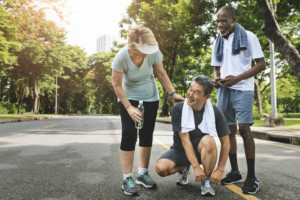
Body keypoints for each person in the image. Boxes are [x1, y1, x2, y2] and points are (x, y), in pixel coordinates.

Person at [111, 25, 184, 196]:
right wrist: (129, 107)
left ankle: (142, 173)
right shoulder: (121, 57)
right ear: (133, 46)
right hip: (128, 96)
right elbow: (116, 84)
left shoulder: (153, 53)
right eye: (144, 49)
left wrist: (172, 93)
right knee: (129, 134)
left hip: (150, 96)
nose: (148, 53)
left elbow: (161, 73)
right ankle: (127, 178)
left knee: (146, 134)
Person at [211, 6, 266, 195]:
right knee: (228, 131)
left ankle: (252, 177)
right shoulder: (218, 40)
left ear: (233, 19)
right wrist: (216, 79)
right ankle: (235, 172)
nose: (219, 24)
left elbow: (261, 64)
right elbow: (217, 67)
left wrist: (238, 78)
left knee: (243, 128)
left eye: (223, 20)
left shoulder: (248, 36)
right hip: (224, 90)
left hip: (243, 88)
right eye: (217, 21)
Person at [156, 75, 231, 197]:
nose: (190, 94)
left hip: (202, 151)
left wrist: (220, 169)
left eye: (197, 92)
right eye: (190, 89)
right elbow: (185, 141)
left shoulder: (215, 112)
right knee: (161, 168)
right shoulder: (178, 109)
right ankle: (184, 169)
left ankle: (206, 180)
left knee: (209, 140)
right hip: (181, 150)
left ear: (206, 97)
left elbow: (226, 142)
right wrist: (195, 166)